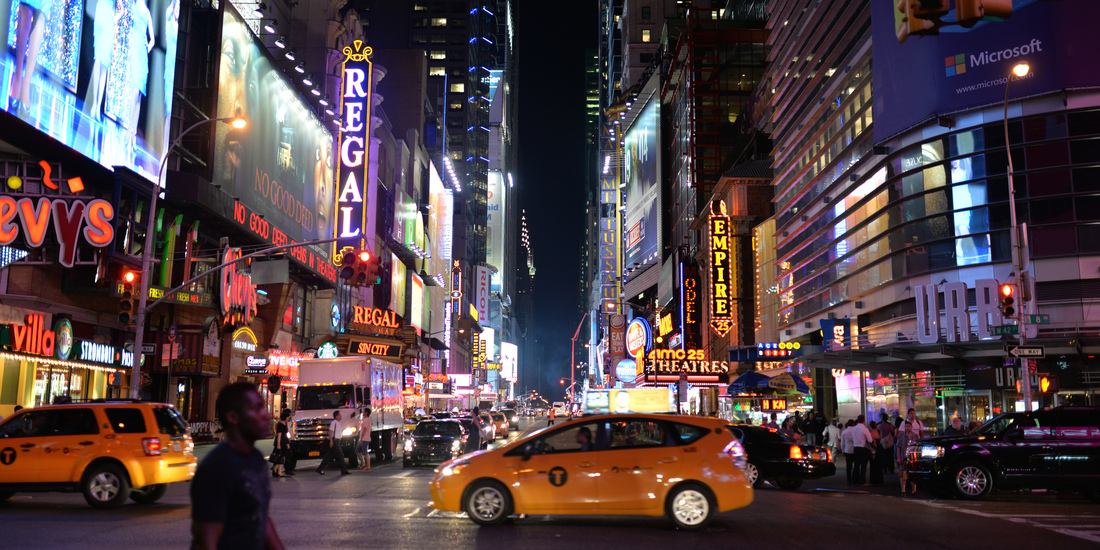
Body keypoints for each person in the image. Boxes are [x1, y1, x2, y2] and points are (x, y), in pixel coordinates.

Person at [191, 382, 285, 550]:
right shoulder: (218, 467)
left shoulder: (256, 459)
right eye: (256, 409)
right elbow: (206, 538)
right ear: (233, 417)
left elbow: (260, 517)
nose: (266, 415)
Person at [316, 410, 349, 476]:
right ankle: (344, 470)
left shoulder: (338, 422)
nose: (341, 416)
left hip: (337, 441)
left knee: (328, 456)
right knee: (341, 455)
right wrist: (331, 441)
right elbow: (330, 432)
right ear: (336, 416)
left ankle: (319, 469)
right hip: (335, 441)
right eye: (340, 415)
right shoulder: (334, 423)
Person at [895, 420, 918, 496]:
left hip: (912, 458)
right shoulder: (901, 436)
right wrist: (898, 457)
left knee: (912, 474)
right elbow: (898, 447)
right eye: (906, 426)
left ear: (911, 427)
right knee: (903, 474)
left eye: (909, 426)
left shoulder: (915, 436)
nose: (907, 428)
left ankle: (914, 490)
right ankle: (903, 490)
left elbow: (917, 447)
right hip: (903, 457)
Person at [850, 415, 874, 485]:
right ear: (864, 420)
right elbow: (870, 440)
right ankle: (862, 481)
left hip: (855, 448)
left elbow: (852, 438)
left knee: (856, 465)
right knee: (863, 465)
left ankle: (855, 480)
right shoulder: (864, 429)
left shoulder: (854, 428)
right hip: (863, 448)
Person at [270, 409, 291, 478]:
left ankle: (276, 470)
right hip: (281, 441)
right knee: (280, 456)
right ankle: (278, 471)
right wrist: (278, 444)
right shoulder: (280, 424)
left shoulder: (284, 423)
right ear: (286, 417)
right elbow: (279, 435)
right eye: (288, 417)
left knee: (281, 456)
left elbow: (286, 432)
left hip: (284, 441)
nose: (289, 418)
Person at [840, 419, 856, 484]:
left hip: (847, 450)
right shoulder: (855, 431)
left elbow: (842, 443)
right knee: (856, 465)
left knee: (848, 466)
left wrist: (842, 450)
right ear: (853, 424)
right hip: (855, 450)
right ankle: (855, 478)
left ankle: (849, 479)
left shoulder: (844, 432)